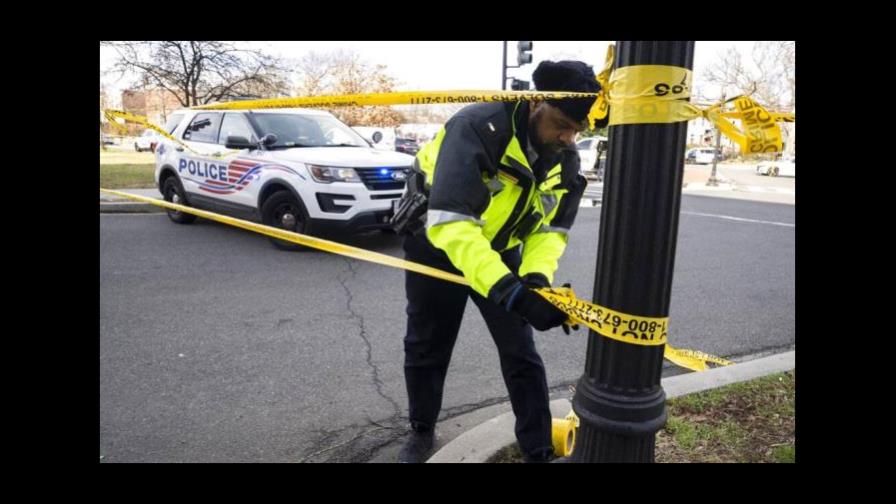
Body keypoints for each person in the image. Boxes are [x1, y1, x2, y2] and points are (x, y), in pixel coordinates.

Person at [393, 60, 607, 463]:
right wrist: (512, 293)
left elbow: (550, 232)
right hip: (437, 245)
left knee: (520, 352)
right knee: (427, 344)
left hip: (500, 249)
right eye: (561, 123)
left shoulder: (565, 157)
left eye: (577, 130)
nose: (567, 137)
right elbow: (453, 227)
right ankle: (421, 431)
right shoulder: (477, 128)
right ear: (534, 104)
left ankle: (538, 449)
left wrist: (536, 279)